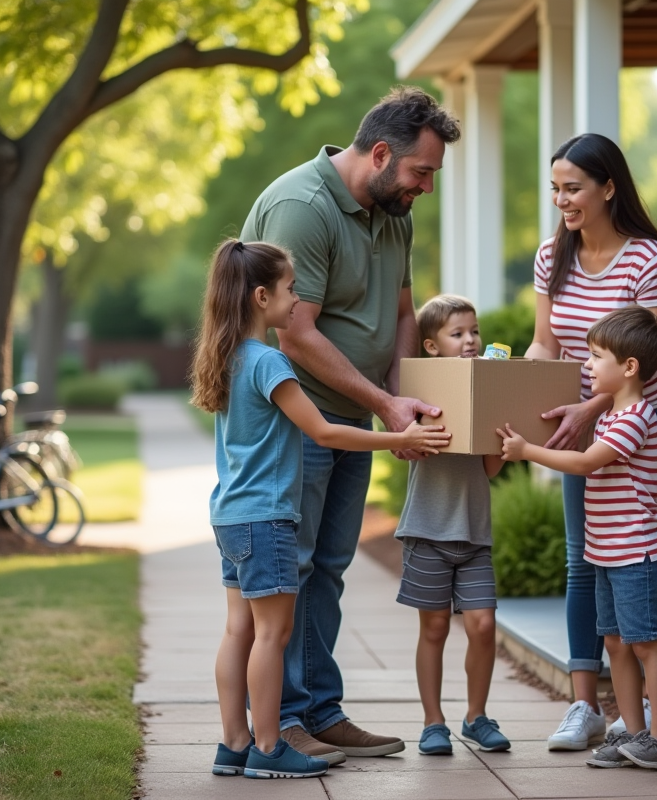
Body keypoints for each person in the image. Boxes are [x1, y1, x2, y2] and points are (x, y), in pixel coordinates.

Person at [239, 86, 462, 763]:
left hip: (356, 418)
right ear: (383, 153)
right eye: (422, 173)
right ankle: (283, 723)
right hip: (297, 421)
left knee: (330, 568)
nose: (426, 187)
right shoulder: (302, 209)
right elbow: (296, 336)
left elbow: (402, 314)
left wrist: (402, 400)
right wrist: (386, 405)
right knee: (293, 570)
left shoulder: (394, 212)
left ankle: (320, 710)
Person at [189, 240, 450, 779]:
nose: (298, 298)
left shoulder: (226, 356)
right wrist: (403, 437)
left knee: (239, 630)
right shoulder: (269, 363)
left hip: (232, 515)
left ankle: (234, 743)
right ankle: (267, 746)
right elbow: (325, 430)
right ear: (262, 297)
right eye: (290, 289)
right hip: (268, 517)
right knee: (271, 635)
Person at [525, 133, 657, 750]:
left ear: (608, 188)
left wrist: (585, 408)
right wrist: (519, 391)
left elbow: (645, 363)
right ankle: (587, 708)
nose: (562, 200)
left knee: (651, 564)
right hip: (586, 422)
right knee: (585, 558)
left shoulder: (648, 259)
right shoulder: (553, 256)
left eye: (572, 188)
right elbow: (546, 343)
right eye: (556, 189)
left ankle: (653, 718)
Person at [499, 306, 657, 771]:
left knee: (647, 644)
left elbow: (584, 464)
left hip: (637, 554)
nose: (587, 365)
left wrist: (527, 451)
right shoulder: (610, 416)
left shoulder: (635, 417)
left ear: (629, 367)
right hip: (608, 554)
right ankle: (633, 736)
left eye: (596, 357)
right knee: (617, 643)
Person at [394, 294, 511, 756]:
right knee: (435, 628)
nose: (470, 341)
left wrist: (500, 437)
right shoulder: (419, 399)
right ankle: (433, 721)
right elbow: (402, 446)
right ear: (430, 345)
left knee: (482, 626)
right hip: (428, 530)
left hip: (473, 530)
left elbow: (489, 469)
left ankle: (476, 716)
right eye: (457, 333)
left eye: (474, 332)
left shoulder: (486, 389)